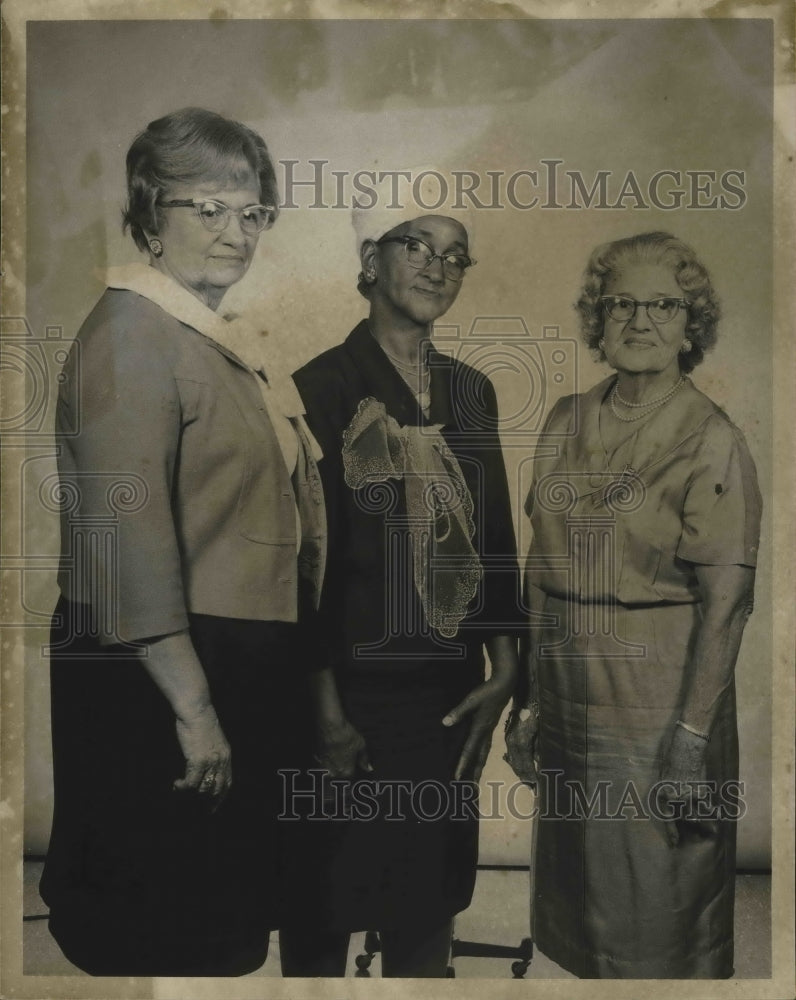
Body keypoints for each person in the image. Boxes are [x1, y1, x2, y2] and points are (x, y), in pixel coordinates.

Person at [39, 107, 326, 976]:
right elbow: (127, 549)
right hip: (159, 675)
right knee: (164, 924)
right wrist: (196, 714)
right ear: (148, 215)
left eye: (251, 213)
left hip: (219, 659)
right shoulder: (130, 337)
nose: (234, 233)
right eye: (207, 208)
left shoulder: (200, 334)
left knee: (216, 920)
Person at [279, 184, 522, 977]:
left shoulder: (471, 392)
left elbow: (493, 541)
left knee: (427, 904)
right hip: (347, 695)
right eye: (416, 245)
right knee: (323, 907)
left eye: (455, 255)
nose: (438, 266)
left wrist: (507, 671)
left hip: (444, 699)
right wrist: (324, 713)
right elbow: (303, 566)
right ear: (369, 260)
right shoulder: (318, 388)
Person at [505, 231, 762, 978]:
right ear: (596, 317)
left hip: (662, 715)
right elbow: (541, 571)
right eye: (621, 303)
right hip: (571, 703)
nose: (640, 320)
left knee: (659, 925)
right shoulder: (562, 421)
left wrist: (690, 740)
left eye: (663, 305)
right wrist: (529, 702)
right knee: (581, 917)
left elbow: (728, 605)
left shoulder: (713, 440)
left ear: (693, 324)